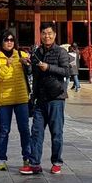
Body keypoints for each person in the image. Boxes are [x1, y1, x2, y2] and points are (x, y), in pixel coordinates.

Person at [20, 23, 70, 175]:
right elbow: (32, 73)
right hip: (40, 98)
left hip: (56, 98)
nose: (46, 36)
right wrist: (27, 65)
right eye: (44, 33)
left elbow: (67, 71)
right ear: (40, 35)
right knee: (36, 132)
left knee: (56, 132)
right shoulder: (37, 52)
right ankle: (35, 163)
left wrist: (48, 67)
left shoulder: (61, 52)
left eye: (49, 33)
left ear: (54, 35)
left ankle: (56, 162)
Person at [0, 31, 32, 170]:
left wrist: (27, 64)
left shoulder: (21, 55)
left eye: (12, 40)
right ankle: (1, 160)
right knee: (4, 130)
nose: (9, 42)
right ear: (1, 42)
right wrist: (6, 66)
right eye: (6, 40)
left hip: (21, 98)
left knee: (24, 130)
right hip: (5, 100)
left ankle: (27, 158)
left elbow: (32, 68)